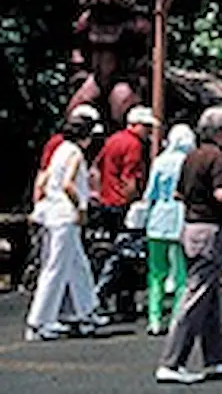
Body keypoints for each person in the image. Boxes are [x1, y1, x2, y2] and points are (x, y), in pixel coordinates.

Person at [157, 106, 222, 385]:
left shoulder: (191, 157)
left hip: (190, 227)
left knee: (209, 297)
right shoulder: (217, 157)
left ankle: (219, 358)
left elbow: (178, 192)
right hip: (210, 229)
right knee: (197, 295)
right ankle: (171, 361)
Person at [26, 113, 101, 341]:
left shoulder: (59, 150)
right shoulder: (75, 153)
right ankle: (39, 321)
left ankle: (85, 310)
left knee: (78, 265)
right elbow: (69, 184)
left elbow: (46, 178)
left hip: (52, 213)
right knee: (55, 269)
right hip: (65, 216)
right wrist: (80, 208)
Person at [93, 104, 156, 322]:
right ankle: (118, 297)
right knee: (128, 255)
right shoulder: (133, 145)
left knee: (112, 251)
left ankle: (113, 296)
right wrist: (135, 201)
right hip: (123, 205)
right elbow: (131, 177)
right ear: (135, 125)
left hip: (107, 201)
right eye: (146, 127)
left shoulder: (112, 140)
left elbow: (97, 167)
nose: (149, 131)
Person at [141, 124, 196, 337]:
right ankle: (177, 318)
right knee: (182, 273)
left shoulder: (161, 161)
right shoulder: (189, 162)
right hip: (182, 218)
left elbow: (150, 192)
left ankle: (154, 318)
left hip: (158, 219)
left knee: (157, 272)